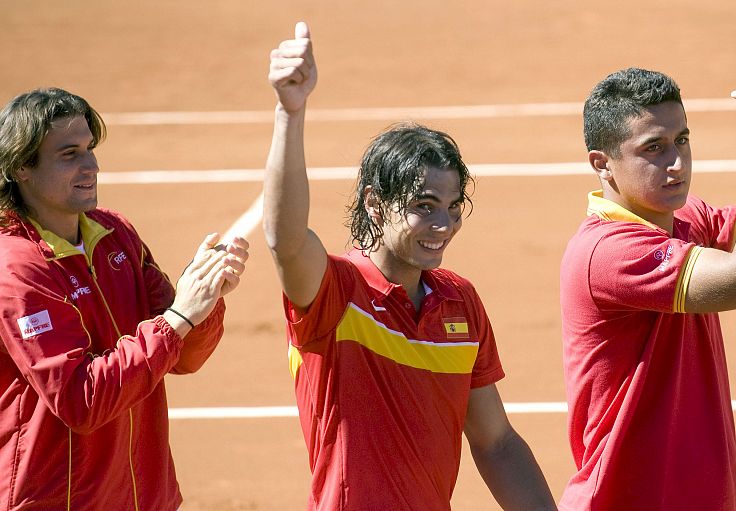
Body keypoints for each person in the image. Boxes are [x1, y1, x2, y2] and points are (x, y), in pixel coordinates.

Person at [263, 21, 556, 511]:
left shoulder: (459, 301)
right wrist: (289, 114)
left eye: (453, 206)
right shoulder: (336, 292)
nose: (443, 224)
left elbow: (496, 442)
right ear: (375, 205)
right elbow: (286, 242)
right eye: (424, 205)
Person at [559, 27, 736, 510]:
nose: (676, 163)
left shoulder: (687, 218)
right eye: (653, 148)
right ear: (602, 165)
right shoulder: (608, 253)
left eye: (681, 140)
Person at [0, 87, 249, 510]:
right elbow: (81, 400)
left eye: (90, 149)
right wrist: (179, 317)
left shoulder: (114, 233)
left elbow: (183, 354)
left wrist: (204, 298)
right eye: (69, 154)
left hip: (143, 495)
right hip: (61, 499)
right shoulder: (17, 270)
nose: (91, 166)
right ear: (22, 167)